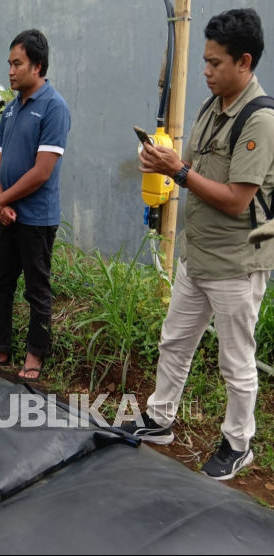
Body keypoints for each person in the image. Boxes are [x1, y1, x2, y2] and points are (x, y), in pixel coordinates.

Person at [122, 9, 274, 481]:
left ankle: (237, 444)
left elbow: (235, 200)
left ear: (244, 62)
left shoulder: (259, 119)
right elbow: (191, 169)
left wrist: (178, 172)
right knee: (175, 342)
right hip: (198, 255)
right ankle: (160, 419)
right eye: (204, 62)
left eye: (214, 63)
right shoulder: (214, 105)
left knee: (236, 362)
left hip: (235, 263)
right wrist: (161, 163)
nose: (205, 71)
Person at [0, 29, 71, 382]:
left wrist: (1, 200)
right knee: (1, 283)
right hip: (8, 216)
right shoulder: (11, 110)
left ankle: (35, 355)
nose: (10, 71)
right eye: (9, 64)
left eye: (17, 64)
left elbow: (42, 172)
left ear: (37, 66)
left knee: (37, 289)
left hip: (36, 219)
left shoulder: (54, 108)